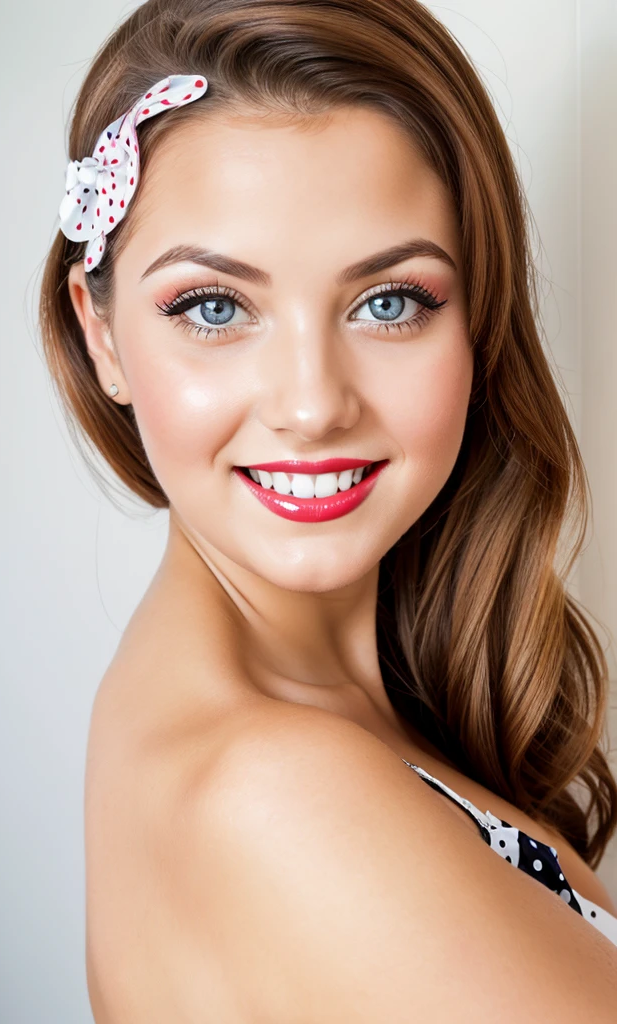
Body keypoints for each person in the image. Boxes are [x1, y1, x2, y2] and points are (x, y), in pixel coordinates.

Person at [39, 0, 617, 1018]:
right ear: (103, 336)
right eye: (213, 307)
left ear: (475, 317)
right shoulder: (275, 790)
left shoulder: (270, 721)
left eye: (387, 300)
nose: (312, 404)